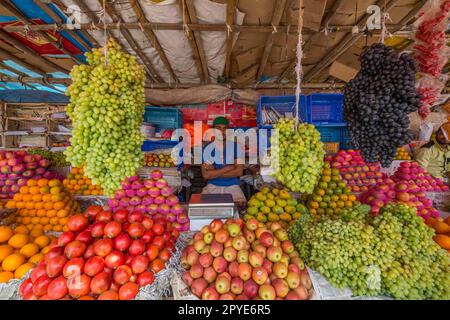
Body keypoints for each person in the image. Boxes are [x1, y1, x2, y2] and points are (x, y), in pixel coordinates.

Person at [201, 116, 247, 203]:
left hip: (233, 187)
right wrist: (228, 168)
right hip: (212, 186)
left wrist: (215, 171)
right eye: (218, 128)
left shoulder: (236, 147)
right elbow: (206, 175)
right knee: (207, 212)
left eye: (224, 128)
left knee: (238, 211)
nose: (222, 131)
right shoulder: (207, 148)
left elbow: (239, 172)